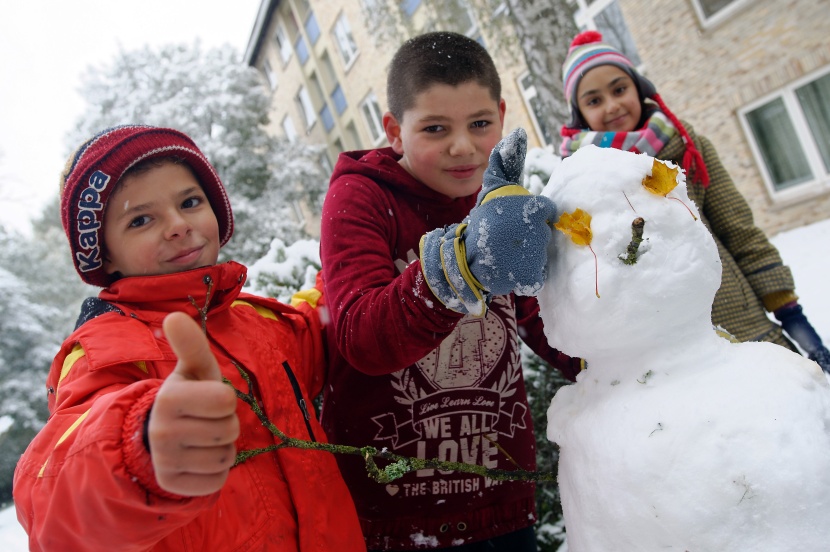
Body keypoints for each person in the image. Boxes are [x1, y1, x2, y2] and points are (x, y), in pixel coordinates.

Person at [13, 125, 365, 551]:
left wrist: (357, 261)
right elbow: (51, 497)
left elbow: (330, 323)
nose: (178, 225)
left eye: (189, 202)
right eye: (141, 219)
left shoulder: (254, 319)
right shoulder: (101, 352)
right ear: (104, 253)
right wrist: (138, 448)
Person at [318, 31, 581, 551]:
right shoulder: (360, 197)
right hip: (393, 511)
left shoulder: (497, 196)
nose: (463, 147)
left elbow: (542, 318)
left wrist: (633, 366)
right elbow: (362, 338)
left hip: (501, 495)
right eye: (435, 128)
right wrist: (460, 264)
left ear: (502, 117)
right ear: (395, 130)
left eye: (479, 124)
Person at [559, 30, 830, 372]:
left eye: (619, 89)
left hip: (739, 318)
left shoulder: (684, 142)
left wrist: (788, 309)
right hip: (662, 351)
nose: (612, 106)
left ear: (638, 89)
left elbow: (737, 226)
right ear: (580, 113)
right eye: (594, 100)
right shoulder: (581, 180)